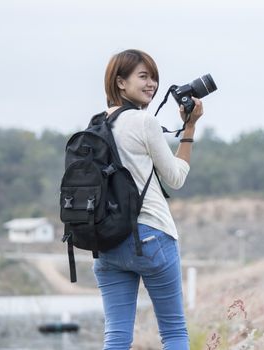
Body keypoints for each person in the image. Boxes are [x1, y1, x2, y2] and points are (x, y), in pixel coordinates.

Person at [92, 49, 203, 350]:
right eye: (143, 76)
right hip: (152, 237)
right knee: (174, 333)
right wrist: (189, 128)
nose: (152, 83)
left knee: (116, 337)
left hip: (108, 243)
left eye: (154, 77)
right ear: (120, 83)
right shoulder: (144, 122)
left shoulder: (96, 125)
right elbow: (175, 178)